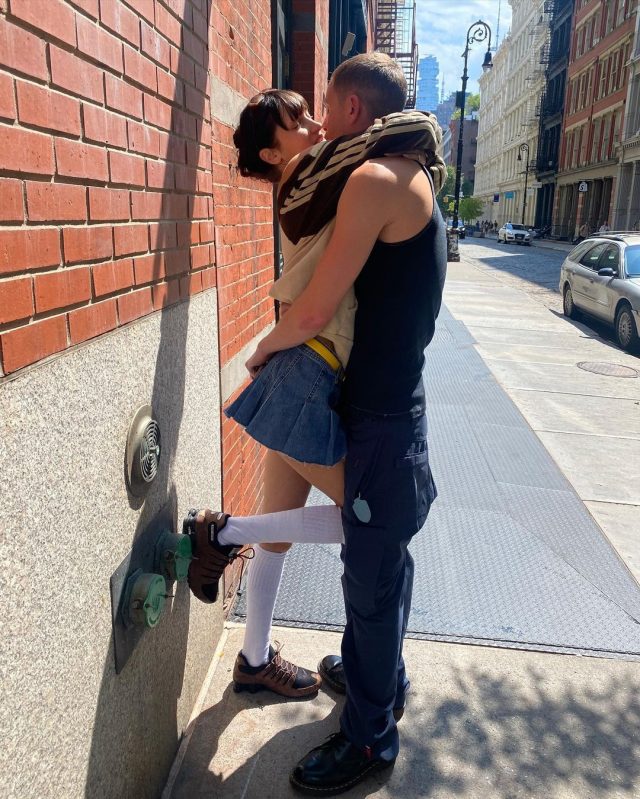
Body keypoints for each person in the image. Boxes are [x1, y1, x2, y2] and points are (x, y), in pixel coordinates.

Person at [185, 81, 446, 708]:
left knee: (284, 534)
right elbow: (313, 308)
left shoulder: (310, 182)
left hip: (308, 372)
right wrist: (412, 128)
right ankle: (222, 534)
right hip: (309, 370)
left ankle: (253, 661)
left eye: (312, 111)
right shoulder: (310, 184)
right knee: (374, 521)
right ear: (273, 154)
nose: (316, 126)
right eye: (298, 119)